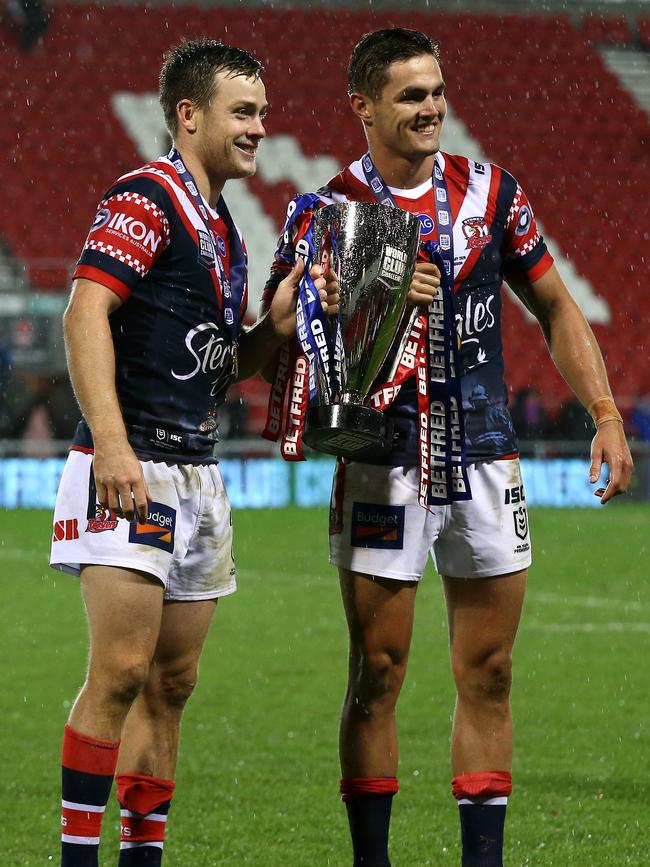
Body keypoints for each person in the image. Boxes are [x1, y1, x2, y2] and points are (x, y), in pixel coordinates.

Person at [262, 27, 633, 867]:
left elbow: (558, 308)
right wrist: (374, 290)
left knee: (492, 669)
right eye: (410, 95)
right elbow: (299, 355)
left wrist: (605, 410)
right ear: (362, 107)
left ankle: (483, 860)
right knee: (380, 672)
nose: (431, 108)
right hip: (383, 464)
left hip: (485, 454)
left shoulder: (492, 192)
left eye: (436, 91)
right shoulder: (330, 212)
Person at [49, 38, 332, 867]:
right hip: (131, 465)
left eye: (262, 113)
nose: (259, 128)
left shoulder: (222, 229)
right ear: (189, 114)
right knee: (121, 672)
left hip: (198, 470)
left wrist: (273, 328)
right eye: (243, 112)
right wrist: (112, 443)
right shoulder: (148, 197)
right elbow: (84, 311)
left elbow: (222, 367)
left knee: (171, 686)